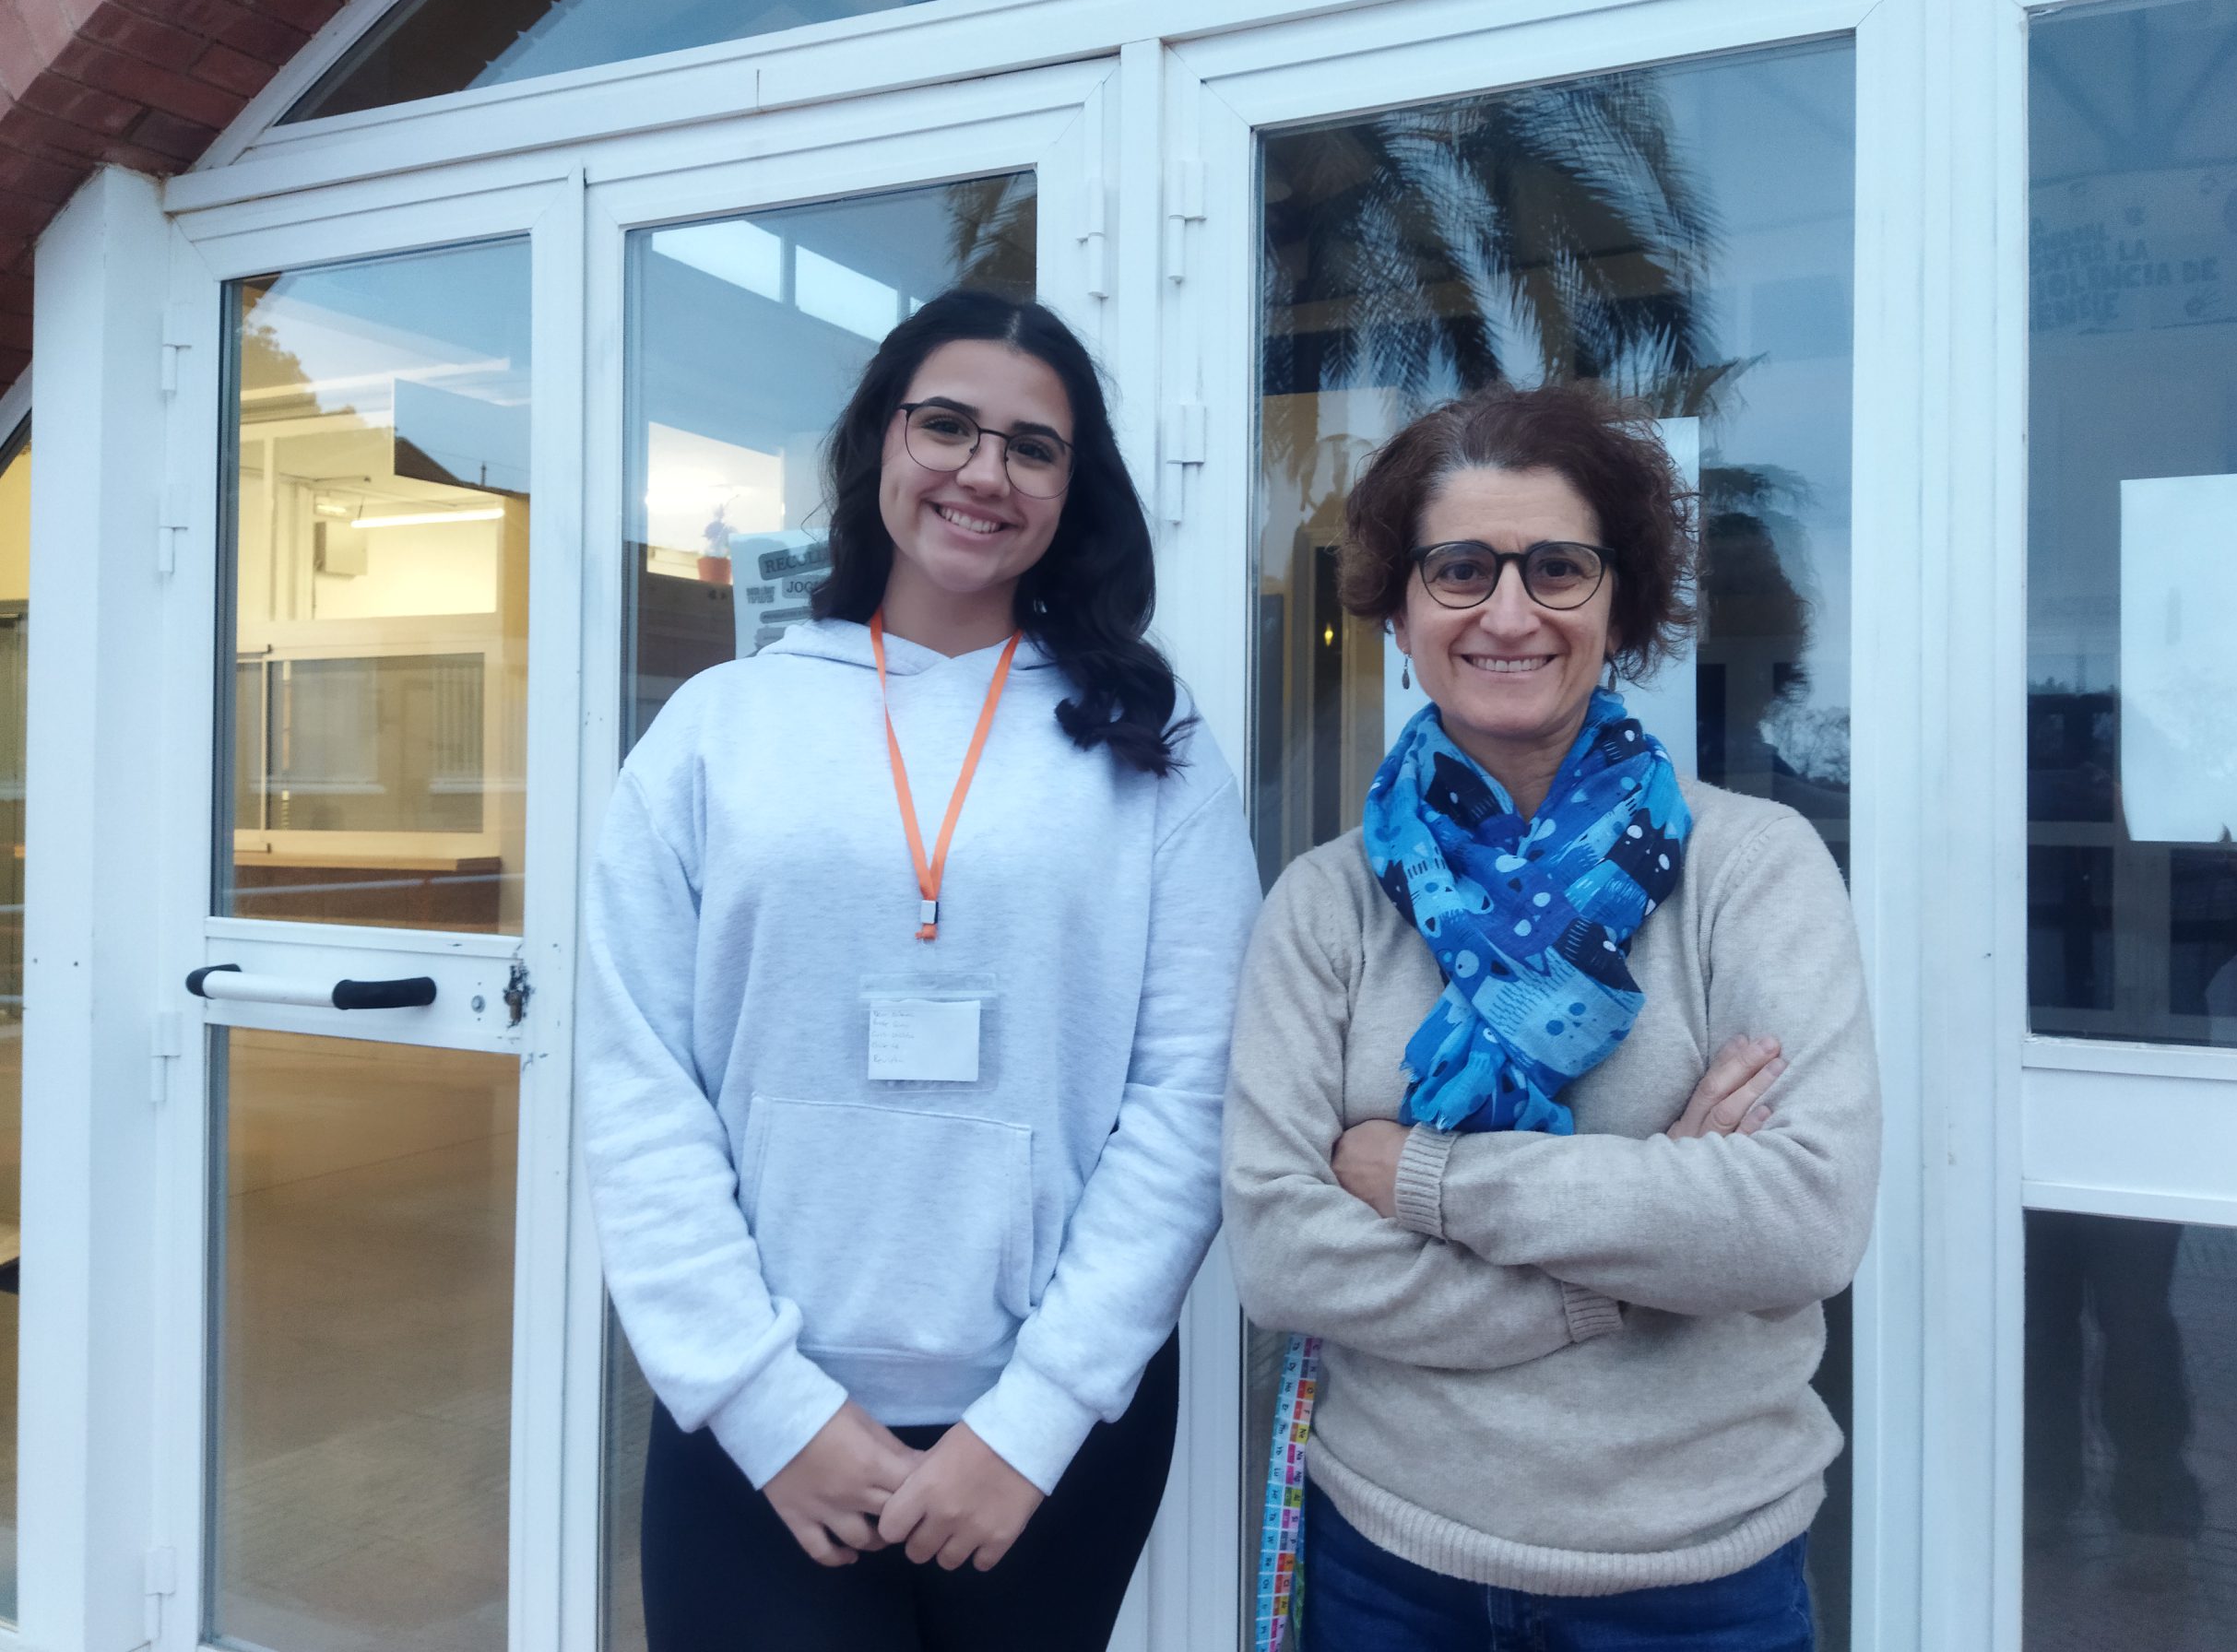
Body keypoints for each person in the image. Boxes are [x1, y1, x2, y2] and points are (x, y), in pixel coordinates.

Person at [583, 290, 1261, 1651]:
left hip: (1047, 1438)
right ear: (877, 444)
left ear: (1074, 488)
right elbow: (636, 1081)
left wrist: (1034, 1421)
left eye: (1032, 447)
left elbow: (1190, 1091)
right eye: (945, 426)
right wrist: (767, 1408)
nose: (982, 473)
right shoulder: (719, 728)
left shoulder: (1150, 739)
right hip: (757, 1423)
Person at [1224, 383, 1880, 1650]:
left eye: (1559, 568)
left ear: (1619, 606)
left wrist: (1420, 1178)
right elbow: (1283, 1256)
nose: (1510, 612)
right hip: (1389, 1569)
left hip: (1695, 1583)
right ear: (1400, 609)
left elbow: (1803, 1221)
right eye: (1461, 569)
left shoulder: (1753, 868)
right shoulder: (1326, 904)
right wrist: (1634, 1263)